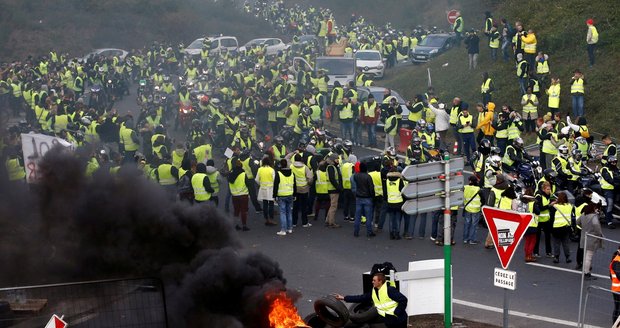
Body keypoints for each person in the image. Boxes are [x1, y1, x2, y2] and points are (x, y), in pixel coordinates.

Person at [334, 273, 408, 328]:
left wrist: (397, 312)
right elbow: (362, 298)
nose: (372, 282)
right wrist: (344, 298)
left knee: (362, 319)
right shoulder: (374, 291)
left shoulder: (390, 290)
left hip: (398, 320)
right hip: (385, 316)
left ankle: (349, 316)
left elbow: (403, 300)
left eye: (374, 280)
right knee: (364, 322)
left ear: (380, 281)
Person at [576, 202, 603, 279]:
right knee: (589, 256)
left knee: (586, 256)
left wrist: (584, 228)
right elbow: (596, 226)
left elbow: (577, 222)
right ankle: (586, 272)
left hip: (583, 237)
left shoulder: (583, 215)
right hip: (591, 239)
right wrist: (599, 234)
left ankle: (586, 270)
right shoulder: (593, 217)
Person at [273, 159, 296, 236]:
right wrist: (295, 195)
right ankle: (290, 228)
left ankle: (283, 229)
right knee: (289, 211)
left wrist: (274, 196)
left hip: (281, 195)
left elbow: (275, 186)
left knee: (282, 212)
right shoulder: (292, 173)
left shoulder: (278, 174)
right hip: (290, 194)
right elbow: (294, 185)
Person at [352, 161, 376, 237]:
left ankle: (356, 231)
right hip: (367, 198)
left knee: (358, 215)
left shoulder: (356, 176)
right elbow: (371, 188)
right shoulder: (368, 177)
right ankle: (369, 232)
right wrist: (372, 196)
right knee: (368, 216)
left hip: (359, 197)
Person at [291, 153, 313, 228]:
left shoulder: (291, 166)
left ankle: (294, 222)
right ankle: (304, 222)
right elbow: (310, 178)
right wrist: (309, 184)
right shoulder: (305, 167)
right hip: (304, 189)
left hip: (295, 189)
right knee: (304, 207)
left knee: (295, 206)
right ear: (301, 159)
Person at [228, 158, 250, 231]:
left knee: (236, 211)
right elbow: (248, 184)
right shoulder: (243, 174)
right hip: (243, 195)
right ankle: (244, 225)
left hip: (234, 195)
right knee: (243, 211)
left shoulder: (230, 173)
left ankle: (236, 225)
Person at [551, 191, 573, 264]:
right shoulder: (569, 206)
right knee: (565, 243)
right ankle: (567, 257)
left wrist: (554, 203)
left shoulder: (555, 207)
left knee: (556, 243)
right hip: (566, 228)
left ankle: (556, 257)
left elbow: (551, 217)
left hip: (557, 227)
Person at [383, 170, 405, 240]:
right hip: (399, 202)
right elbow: (403, 191)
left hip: (390, 202)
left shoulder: (387, 181)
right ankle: (397, 234)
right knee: (398, 219)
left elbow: (385, 192)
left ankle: (391, 234)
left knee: (391, 219)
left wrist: (387, 200)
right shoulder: (399, 180)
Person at [256, 157, 278, 227]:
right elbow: (275, 180)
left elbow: (256, 179)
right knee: (271, 204)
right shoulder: (271, 170)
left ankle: (266, 219)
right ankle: (271, 219)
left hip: (263, 188)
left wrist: (261, 184)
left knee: (265, 204)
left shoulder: (260, 169)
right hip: (270, 189)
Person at [463, 176, 482, 245]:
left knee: (467, 224)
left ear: (470, 181)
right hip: (476, 209)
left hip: (467, 208)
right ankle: (472, 239)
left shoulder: (465, 187)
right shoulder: (478, 189)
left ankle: (465, 239)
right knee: (474, 225)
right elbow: (483, 199)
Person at [609, 247, 620, 323]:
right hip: (618, 290)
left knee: (618, 308)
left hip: (617, 289)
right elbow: (619, 275)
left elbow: (610, 276)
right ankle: (615, 324)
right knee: (618, 309)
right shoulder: (616, 261)